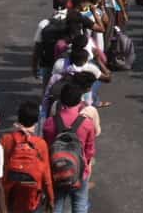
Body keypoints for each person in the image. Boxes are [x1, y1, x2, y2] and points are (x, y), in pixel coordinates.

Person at [42, 83, 97, 213]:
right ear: (80, 100)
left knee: (56, 205)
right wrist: (87, 165)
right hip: (80, 171)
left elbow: (47, 147)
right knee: (80, 204)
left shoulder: (50, 122)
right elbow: (89, 151)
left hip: (56, 170)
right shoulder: (86, 123)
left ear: (61, 99)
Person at [0, 101, 53, 213]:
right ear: (36, 121)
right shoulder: (40, 143)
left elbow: (1, 167)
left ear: (18, 118)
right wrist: (50, 198)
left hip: (10, 193)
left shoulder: (6, 139)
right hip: (32, 195)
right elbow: (46, 175)